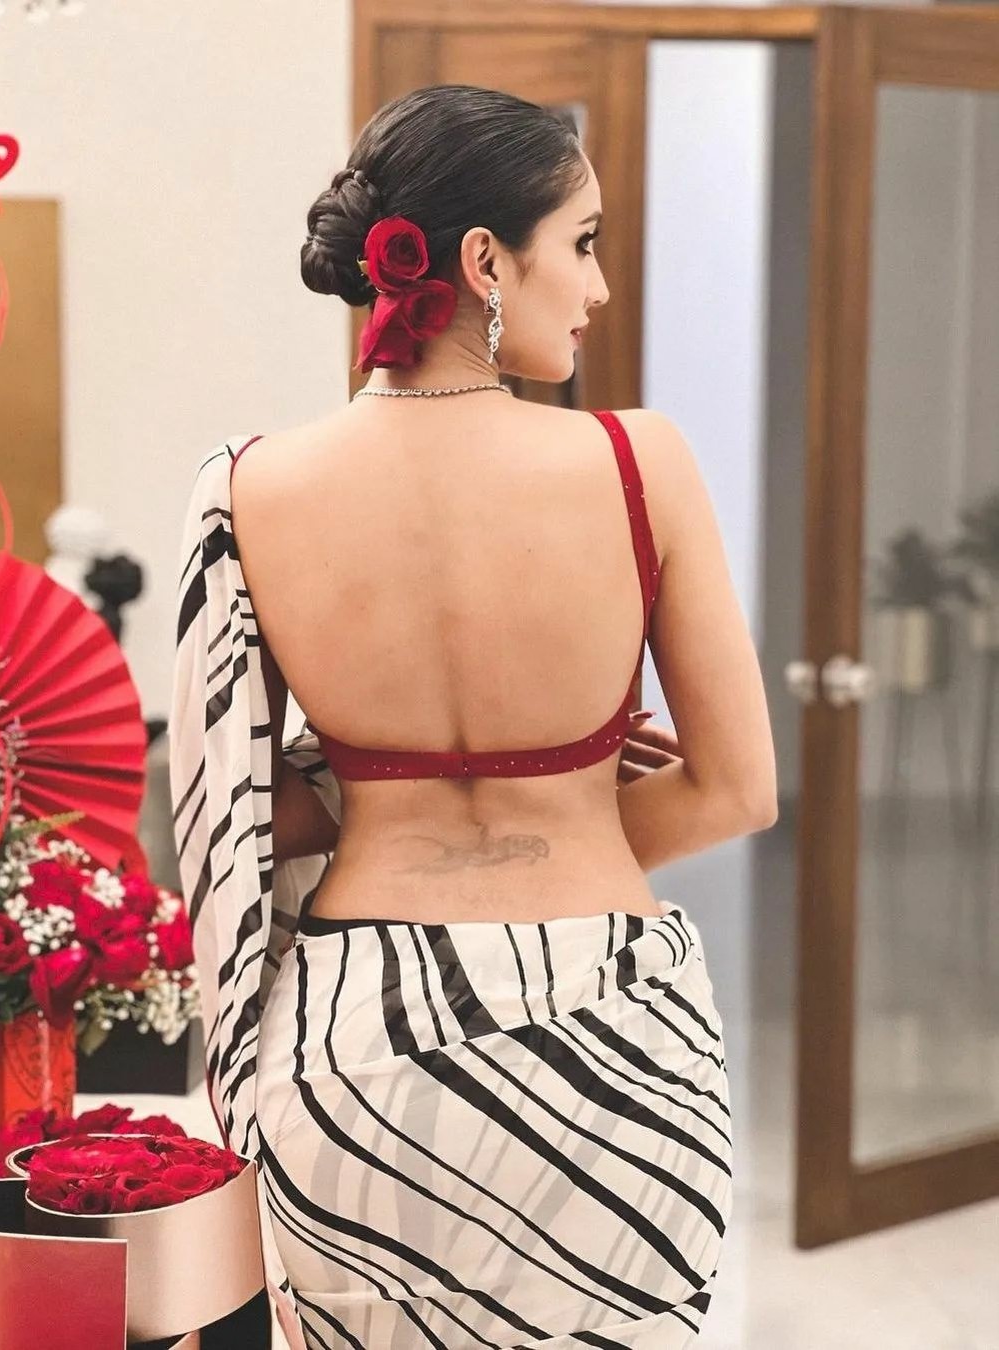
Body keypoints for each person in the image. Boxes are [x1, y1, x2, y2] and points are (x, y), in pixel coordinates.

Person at [169, 84, 777, 1350]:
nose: (597, 287)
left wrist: (357, 800)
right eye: (584, 243)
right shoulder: (640, 461)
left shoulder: (245, 486)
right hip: (614, 1034)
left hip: (352, 1048)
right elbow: (735, 788)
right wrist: (566, 824)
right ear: (488, 261)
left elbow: (225, 816)